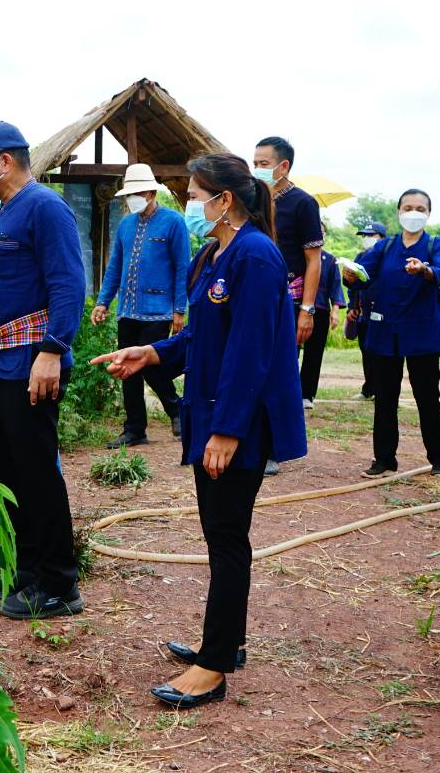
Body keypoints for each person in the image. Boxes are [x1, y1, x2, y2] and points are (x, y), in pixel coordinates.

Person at [91, 152, 305, 710]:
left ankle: (213, 666)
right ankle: (224, 642)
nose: (189, 203)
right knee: (219, 533)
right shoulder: (215, 252)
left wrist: (228, 430)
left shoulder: (255, 256)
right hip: (212, 410)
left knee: (228, 536)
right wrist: (151, 352)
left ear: (224, 199)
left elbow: (251, 352)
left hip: (238, 421)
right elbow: (202, 340)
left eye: (193, 193)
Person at [0, 121, 87, 619]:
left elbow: (68, 284)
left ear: (3, 162)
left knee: (36, 472)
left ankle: (58, 584)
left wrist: (52, 350)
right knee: (6, 471)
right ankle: (22, 571)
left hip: (30, 363)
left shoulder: (45, 210)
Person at [342, 190, 440, 478]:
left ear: (428, 213)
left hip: (422, 332)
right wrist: (350, 276)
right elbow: (364, 277)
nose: (413, 212)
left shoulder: (437, 245)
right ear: (398, 211)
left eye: (419, 208)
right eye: (407, 207)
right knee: (386, 397)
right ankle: (384, 459)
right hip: (384, 331)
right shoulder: (386, 246)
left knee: (427, 396)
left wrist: (423, 270)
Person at [92, 163, 189, 447]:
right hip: (127, 310)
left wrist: (179, 309)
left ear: (149, 192)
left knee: (150, 365)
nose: (130, 199)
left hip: (158, 310)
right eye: (128, 194)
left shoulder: (173, 222)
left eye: (135, 193)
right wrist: (103, 302)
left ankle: (177, 408)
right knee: (125, 368)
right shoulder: (125, 225)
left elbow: (183, 268)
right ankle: (135, 428)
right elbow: (114, 267)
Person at [251, 136, 323, 475]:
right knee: (253, 369)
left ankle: (274, 448)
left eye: (263, 164)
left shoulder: (303, 203)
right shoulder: (253, 200)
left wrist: (307, 310)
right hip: (256, 297)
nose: (258, 169)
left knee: (278, 372)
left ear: (283, 166)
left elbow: (313, 259)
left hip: (290, 300)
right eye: (255, 163)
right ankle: (254, 440)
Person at [298, 242, 347, 410]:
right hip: (296, 307)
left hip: (319, 309)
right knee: (290, 352)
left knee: (314, 353)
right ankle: (289, 390)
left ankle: (307, 394)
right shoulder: (296, 254)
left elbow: (335, 286)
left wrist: (335, 311)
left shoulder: (330, 259)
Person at [346, 222, 387, 398]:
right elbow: (354, 284)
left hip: (381, 314)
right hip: (363, 314)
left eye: (371, 235)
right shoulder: (360, 256)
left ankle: (383, 389)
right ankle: (369, 389)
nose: (367, 239)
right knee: (366, 351)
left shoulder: (388, 258)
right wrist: (352, 307)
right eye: (365, 236)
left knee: (381, 353)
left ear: (381, 237)